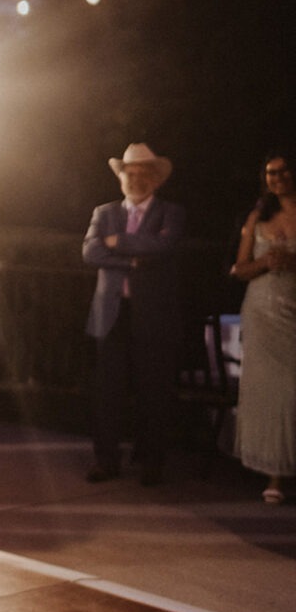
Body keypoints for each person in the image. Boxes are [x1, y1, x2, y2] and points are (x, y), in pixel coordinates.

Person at [83, 142, 185, 485]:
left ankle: (151, 463)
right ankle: (105, 460)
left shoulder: (170, 213)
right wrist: (131, 259)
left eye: (144, 174)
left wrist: (117, 243)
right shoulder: (104, 212)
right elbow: (91, 252)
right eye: (130, 173)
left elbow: (164, 246)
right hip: (111, 313)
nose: (136, 179)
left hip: (152, 315)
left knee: (152, 390)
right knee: (107, 391)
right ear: (121, 177)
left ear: (155, 179)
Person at [230, 151, 296, 503]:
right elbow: (238, 269)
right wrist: (267, 262)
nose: (278, 177)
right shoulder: (258, 216)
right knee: (270, 392)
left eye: (284, 171)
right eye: (271, 172)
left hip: (293, 313)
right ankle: (275, 475)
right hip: (261, 312)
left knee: (292, 390)